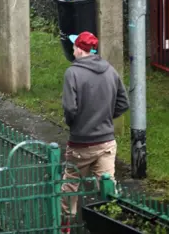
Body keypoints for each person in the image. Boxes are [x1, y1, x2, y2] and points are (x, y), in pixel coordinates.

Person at [60, 31, 129, 232]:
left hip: (81, 143)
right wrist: (105, 118)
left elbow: (70, 108)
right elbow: (124, 102)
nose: (72, 49)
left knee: (71, 185)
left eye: (74, 46)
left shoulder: (72, 73)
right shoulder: (110, 71)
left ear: (81, 50)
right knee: (107, 186)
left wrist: (75, 124)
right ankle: (112, 223)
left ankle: (66, 226)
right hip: (106, 143)